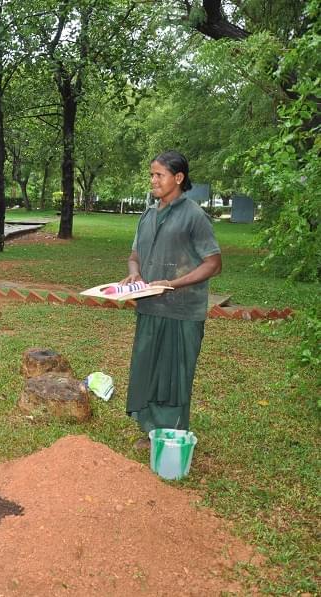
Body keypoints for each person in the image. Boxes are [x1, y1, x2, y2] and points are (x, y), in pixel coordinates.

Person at [121, 150, 222, 449]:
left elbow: (213, 263)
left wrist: (172, 284)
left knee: (174, 376)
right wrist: (134, 274)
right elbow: (134, 255)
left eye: (159, 175)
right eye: (151, 175)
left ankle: (172, 433)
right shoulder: (148, 214)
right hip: (149, 307)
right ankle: (152, 431)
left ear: (178, 178)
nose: (153, 180)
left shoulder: (194, 215)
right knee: (148, 369)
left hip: (182, 311)